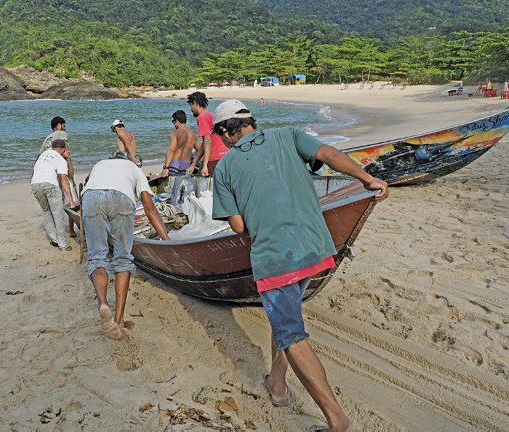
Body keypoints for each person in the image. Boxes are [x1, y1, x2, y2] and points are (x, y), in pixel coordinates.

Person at [210, 100, 389, 432]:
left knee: (291, 334)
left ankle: (337, 420)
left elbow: (236, 226)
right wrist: (367, 179)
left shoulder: (224, 168)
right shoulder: (289, 134)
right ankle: (277, 385)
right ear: (250, 121)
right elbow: (330, 156)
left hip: (276, 259)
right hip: (315, 248)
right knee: (286, 318)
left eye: (220, 135)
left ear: (224, 131)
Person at [81, 151, 170, 340]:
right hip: (121, 198)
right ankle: (119, 320)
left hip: (91, 198)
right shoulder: (134, 169)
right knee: (122, 259)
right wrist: (166, 240)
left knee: (97, 257)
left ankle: (103, 304)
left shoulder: (100, 164)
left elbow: (88, 187)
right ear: (130, 161)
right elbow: (149, 206)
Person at [31, 139, 77, 252]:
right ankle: (63, 245)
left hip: (35, 184)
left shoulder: (43, 155)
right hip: (50, 185)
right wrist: (71, 200)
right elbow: (64, 180)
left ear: (52, 148)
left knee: (46, 211)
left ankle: (54, 239)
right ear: (64, 149)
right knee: (58, 214)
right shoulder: (60, 159)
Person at [39, 116, 78, 236]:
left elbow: (39, 156)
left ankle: (55, 228)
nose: (64, 129)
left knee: (56, 200)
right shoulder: (61, 133)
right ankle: (71, 230)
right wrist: (70, 167)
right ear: (58, 125)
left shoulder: (47, 139)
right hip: (61, 171)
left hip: (50, 173)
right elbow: (66, 150)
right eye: (64, 126)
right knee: (71, 197)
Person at [185, 91, 229, 176]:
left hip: (214, 157)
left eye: (191, 106)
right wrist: (194, 164)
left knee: (203, 183)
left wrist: (205, 165)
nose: (191, 109)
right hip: (224, 154)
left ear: (195, 103)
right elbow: (205, 143)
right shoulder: (210, 114)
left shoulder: (202, 117)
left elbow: (208, 141)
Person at [160, 110, 198, 177]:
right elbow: (200, 150)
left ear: (176, 121)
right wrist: (192, 154)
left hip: (175, 164)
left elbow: (171, 151)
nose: (173, 124)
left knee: (173, 185)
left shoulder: (175, 133)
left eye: (173, 121)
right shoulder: (192, 135)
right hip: (186, 166)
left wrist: (166, 167)